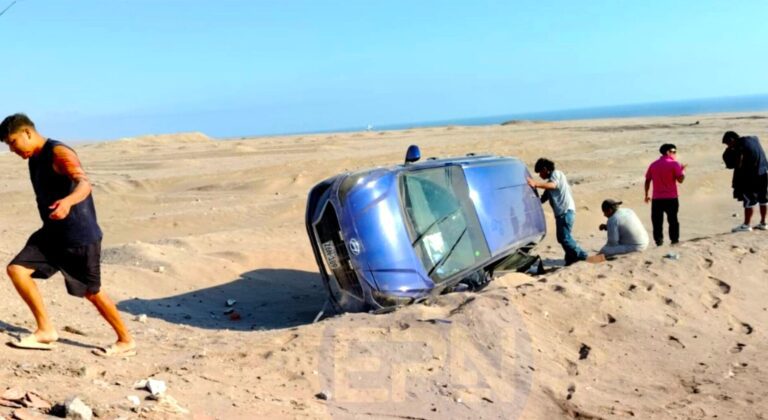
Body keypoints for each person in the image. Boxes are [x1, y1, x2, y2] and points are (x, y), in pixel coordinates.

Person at [1, 113, 135, 356]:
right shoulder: (34, 157)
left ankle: (126, 340)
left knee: (91, 293)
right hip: (52, 234)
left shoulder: (59, 153)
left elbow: (84, 183)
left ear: (27, 133)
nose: (12, 149)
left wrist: (67, 203)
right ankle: (45, 331)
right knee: (17, 270)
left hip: (79, 236)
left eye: (12, 142)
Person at [527, 158, 588, 265]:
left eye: (540, 172)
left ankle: (582, 256)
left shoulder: (556, 174)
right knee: (562, 237)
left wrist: (535, 184)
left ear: (545, 169)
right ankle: (571, 259)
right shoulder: (550, 181)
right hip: (562, 213)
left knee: (564, 238)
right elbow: (544, 197)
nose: (540, 175)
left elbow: (553, 185)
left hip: (565, 211)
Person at [722, 131, 768, 232]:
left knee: (749, 200)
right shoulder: (753, 139)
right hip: (764, 171)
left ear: (732, 140)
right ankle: (763, 223)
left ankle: (747, 225)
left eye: (728, 144)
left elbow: (734, 164)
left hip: (751, 176)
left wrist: (729, 151)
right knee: (763, 198)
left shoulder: (740, 147)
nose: (728, 146)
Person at [644, 143, 686, 245]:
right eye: (674, 152)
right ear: (668, 152)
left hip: (657, 198)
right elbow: (680, 180)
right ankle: (674, 240)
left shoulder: (653, 164)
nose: (675, 154)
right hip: (671, 198)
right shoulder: (675, 164)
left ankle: (659, 241)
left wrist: (646, 195)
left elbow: (647, 180)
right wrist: (682, 170)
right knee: (673, 220)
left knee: (657, 222)